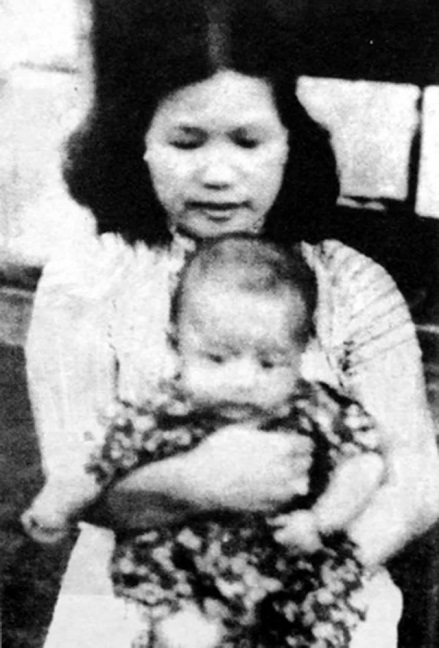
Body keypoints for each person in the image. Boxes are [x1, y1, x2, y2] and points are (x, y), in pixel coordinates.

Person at [24, 1, 439, 647]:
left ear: (288, 143)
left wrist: (307, 582)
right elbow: (73, 477)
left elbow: (415, 482)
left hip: (314, 593)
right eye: (186, 142)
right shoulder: (90, 279)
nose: (218, 174)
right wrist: (196, 481)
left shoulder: (350, 286)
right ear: (139, 143)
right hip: (139, 595)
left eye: (248, 141)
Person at [23, 235, 385, 647]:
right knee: (170, 604)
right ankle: (185, 631)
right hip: (183, 566)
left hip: (286, 563)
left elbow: (365, 465)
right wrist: (58, 503)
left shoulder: (315, 408)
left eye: (270, 363)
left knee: (318, 608)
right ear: (176, 342)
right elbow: (100, 458)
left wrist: (321, 520)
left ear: (302, 351)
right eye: (217, 358)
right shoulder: (162, 409)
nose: (244, 380)